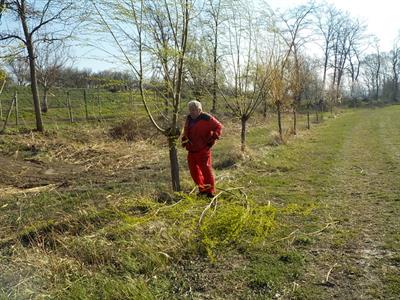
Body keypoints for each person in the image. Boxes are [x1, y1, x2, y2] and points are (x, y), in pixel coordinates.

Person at [181, 100, 222, 198]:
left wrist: (214, 136)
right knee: (194, 172)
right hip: (191, 150)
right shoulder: (189, 118)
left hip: (203, 149)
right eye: (190, 110)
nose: (192, 112)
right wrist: (184, 139)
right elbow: (186, 130)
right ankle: (202, 189)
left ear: (200, 110)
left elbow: (218, 126)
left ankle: (210, 192)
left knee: (206, 171)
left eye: (194, 110)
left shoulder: (207, 118)